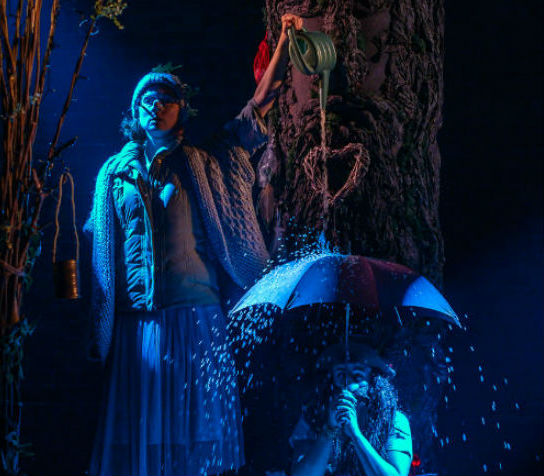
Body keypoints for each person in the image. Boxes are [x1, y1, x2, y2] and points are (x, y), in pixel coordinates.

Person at [84, 14, 304, 476]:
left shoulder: (204, 164)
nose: (154, 105)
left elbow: (256, 108)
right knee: (141, 442)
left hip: (196, 320)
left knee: (194, 438)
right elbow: (104, 260)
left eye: (166, 98)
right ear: (134, 110)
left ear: (181, 110)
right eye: (146, 98)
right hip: (138, 328)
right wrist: (99, 330)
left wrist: (285, 37)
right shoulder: (113, 175)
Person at [290, 341, 413, 476]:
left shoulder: (394, 420)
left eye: (357, 375)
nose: (348, 384)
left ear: (373, 383)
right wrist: (329, 430)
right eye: (341, 375)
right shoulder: (312, 418)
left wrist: (355, 435)